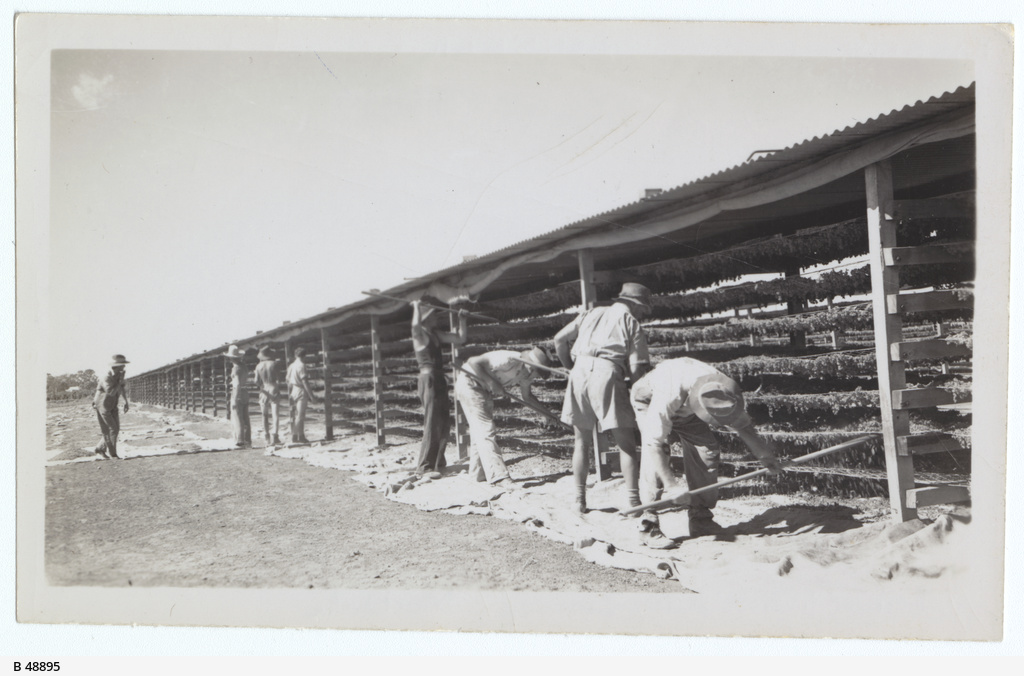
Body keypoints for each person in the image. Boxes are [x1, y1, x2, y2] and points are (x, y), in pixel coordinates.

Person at [630, 357, 786, 548]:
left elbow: (743, 425)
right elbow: (653, 445)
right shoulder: (669, 392)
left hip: (688, 408)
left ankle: (700, 519)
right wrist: (672, 486)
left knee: (707, 451)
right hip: (648, 399)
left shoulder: (721, 388)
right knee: (658, 455)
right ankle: (648, 523)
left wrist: (766, 457)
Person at [553, 282, 653, 514]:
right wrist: (639, 396)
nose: (642, 313)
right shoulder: (631, 322)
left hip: (579, 372)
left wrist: (570, 367)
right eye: (642, 308)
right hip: (607, 372)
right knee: (626, 443)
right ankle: (634, 503)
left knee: (581, 441)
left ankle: (579, 500)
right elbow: (637, 368)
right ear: (634, 304)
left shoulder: (591, 313)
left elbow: (559, 340)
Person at [454, 346, 557, 489]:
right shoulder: (508, 359)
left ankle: (478, 474)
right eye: (538, 373)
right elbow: (473, 362)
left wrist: (547, 414)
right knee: (485, 429)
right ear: (530, 366)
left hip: (484, 390)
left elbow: (527, 397)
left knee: (480, 432)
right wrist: (492, 382)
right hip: (469, 383)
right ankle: (499, 478)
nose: (537, 377)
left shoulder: (527, 375)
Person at [410, 298, 467, 478]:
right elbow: (414, 326)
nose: (436, 318)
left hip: (439, 379)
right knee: (432, 422)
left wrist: (462, 319)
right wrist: (417, 307)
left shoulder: (435, 334)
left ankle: (438, 462)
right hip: (429, 380)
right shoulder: (419, 334)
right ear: (426, 318)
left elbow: (460, 338)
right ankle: (424, 467)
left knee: (443, 421)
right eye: (433, 315)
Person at [92, 354, 131, 459]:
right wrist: (119, 382)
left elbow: (122, 389)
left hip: (113, 405)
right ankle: (113, 454)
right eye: (122, 365)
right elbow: (111, 392)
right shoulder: (106, 377)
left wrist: (126, 402)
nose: (124, 367)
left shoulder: (119, 376)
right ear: (116, 367)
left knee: (116, 428)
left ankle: (100, 448)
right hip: (102, 405)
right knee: (111, 429)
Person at [286, 347, 320, 444]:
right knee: (300, 415)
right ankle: (295, 435)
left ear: (295, 355)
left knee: (298, 415)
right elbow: (305, 382)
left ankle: (300, 435)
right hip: (301, 390)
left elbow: (287, 380)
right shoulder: (301, 365)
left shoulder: (291, 365)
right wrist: (312, 396)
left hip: (294, 390)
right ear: (304, 356)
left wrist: (290, 392)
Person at [252, 346, 282, 447]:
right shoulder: (274, 364)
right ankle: (275, 436)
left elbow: (256, 381)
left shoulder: (258, 366)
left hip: (264, 389)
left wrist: (261, 386)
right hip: (273, 387)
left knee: (264, 415)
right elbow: (279, 378)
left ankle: (267, 437)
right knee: (275, 414)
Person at [225, 344, 252, 448]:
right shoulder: (244, 367)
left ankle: (240, 440)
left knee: (237, 417)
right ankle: (248, 440)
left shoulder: (235, 369)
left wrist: (235, 397)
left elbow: (236, 383)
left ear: (231, 358)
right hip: (245, 392)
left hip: (238, 392)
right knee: (246, 417)